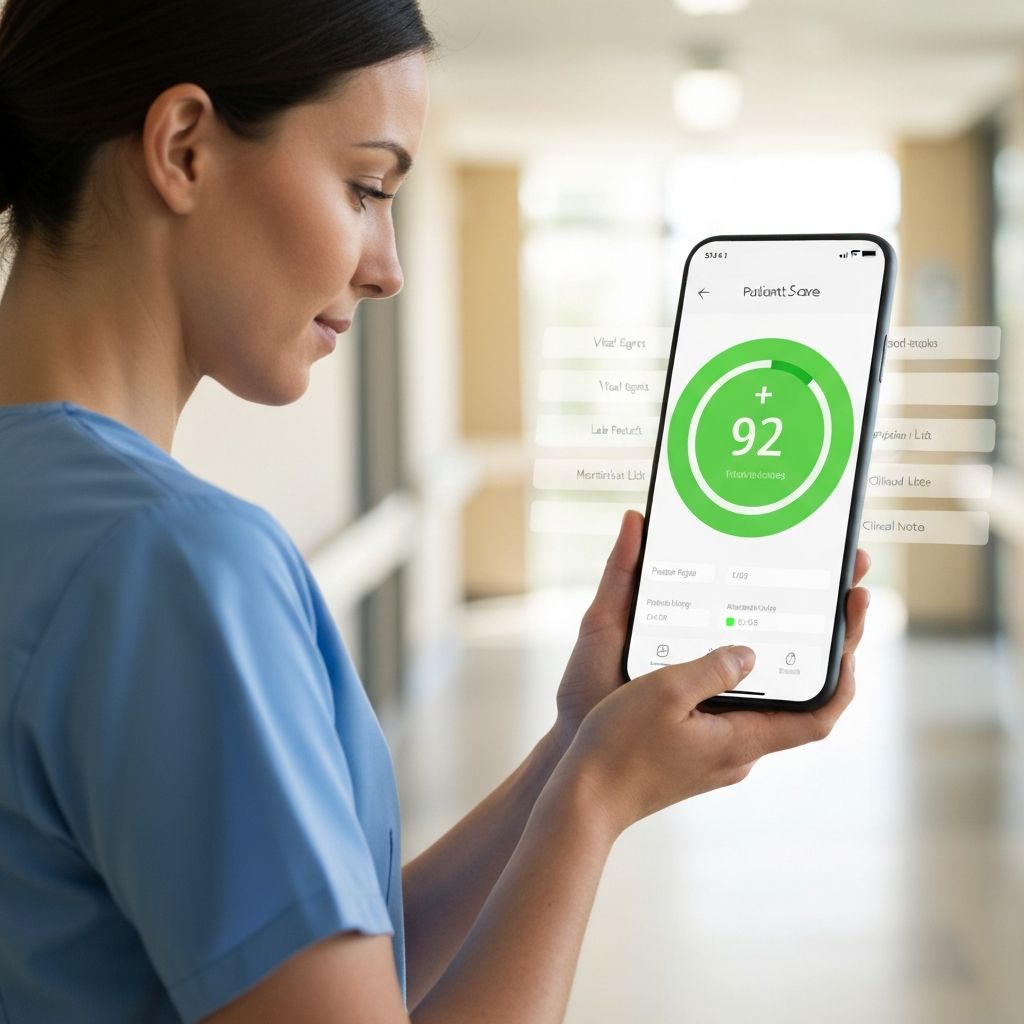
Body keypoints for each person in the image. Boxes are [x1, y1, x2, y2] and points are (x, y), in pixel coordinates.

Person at [0, 1, 872, 1021]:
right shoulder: (173, 563)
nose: (388, 267)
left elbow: (295, 978)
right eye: (366, 188)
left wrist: (571, 745)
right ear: (184, 147)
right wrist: (593, 805)